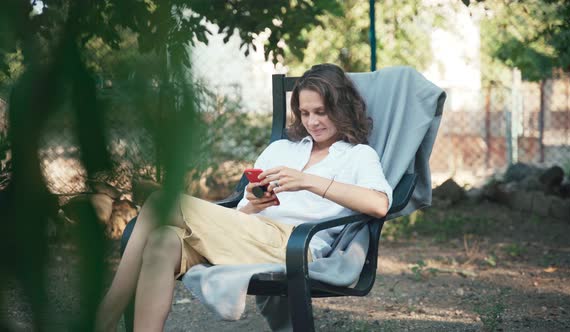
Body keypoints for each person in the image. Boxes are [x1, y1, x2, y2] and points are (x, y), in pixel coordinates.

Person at [95, 63, 392, 332]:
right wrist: (253, 202)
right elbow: (241, 215)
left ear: (341, 108)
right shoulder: (282, 149)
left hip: (297, 244)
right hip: (249, 235)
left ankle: (106, 316)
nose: (312, 122)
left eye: (320, 112)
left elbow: (378, 204)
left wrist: (308, 181)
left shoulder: (358, 155)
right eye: (305, 113)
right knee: (162, 241)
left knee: (162, 201)